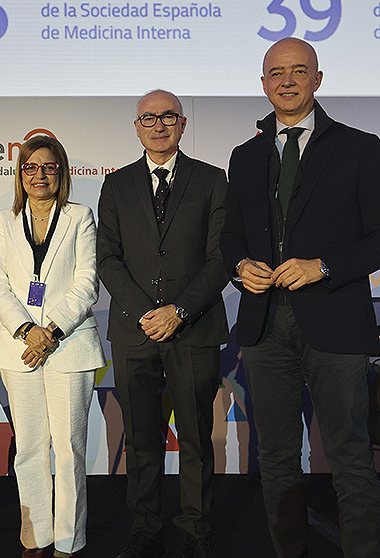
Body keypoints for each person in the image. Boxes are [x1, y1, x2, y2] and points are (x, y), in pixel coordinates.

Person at [220, 38, 380, 558]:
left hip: (335, 323)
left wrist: (322, 267)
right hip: (263, 327)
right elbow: (230, 236)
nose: (286, 81)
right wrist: (240, 266)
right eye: (276, 73)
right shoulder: (246, 154)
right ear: (263, 84)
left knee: (349, 457)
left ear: (317, 79)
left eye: (298, 71)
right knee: (277, 458)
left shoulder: (358, 146)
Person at [97, 90, 229, 558]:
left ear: (183, 123)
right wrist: (146, 314)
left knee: (195, 438)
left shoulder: (213, 180)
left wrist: (178, 311)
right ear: (136, 126)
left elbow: (221, 259)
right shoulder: (115, 186)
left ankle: (196, 530)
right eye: (148, 118)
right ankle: (145, 530)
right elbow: (108, 260)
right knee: (142, 438)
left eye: (168, 116)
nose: (158, 125)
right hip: (135, 332)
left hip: (194, 328)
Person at [0, 135, 105, 558]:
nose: (39, 175)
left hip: (68, 346)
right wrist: (26, 330)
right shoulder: (3, 220)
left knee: (70, 447)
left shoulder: (79, 217)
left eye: (48, 167)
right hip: (19, 349)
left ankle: (70, 542)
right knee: (30, 447)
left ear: (62, 172)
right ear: (20, 174)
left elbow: (87, 283)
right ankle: (35, 537)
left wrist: (50, 331)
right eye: (30, 167)